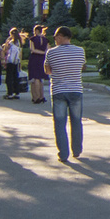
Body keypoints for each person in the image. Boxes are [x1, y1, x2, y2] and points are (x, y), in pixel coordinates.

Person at [45, 25, 86, 163]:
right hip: (76, 90)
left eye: (55, 36)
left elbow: (48, 71)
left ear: (61, 36)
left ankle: (63, 154)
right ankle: (77, 150)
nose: (55, 39)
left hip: (59, 91)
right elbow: (81, 67)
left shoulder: (51, 52)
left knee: (59, 123)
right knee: (76, 121)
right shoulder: (80, 51)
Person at [26, 24, 48, 104]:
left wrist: (41, 52)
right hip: (43, 59)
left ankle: (36, 97)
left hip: (34, 58)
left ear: (36, 31)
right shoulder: (45, 39)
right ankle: (42, 96)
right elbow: (48, 49)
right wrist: (44, 53)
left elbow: (32, 49)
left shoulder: (32, 39)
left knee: (35, 78)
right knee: (41, 78)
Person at [2, 28, 23, 99]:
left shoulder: (10, 43)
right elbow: (20, 53)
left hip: (10, 61)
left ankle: (10, 93)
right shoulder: (19, 42)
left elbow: (5, 50)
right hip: (16, 61)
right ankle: (16, 92)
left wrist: (6, 42)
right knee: (15, 77)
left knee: (9, 78)